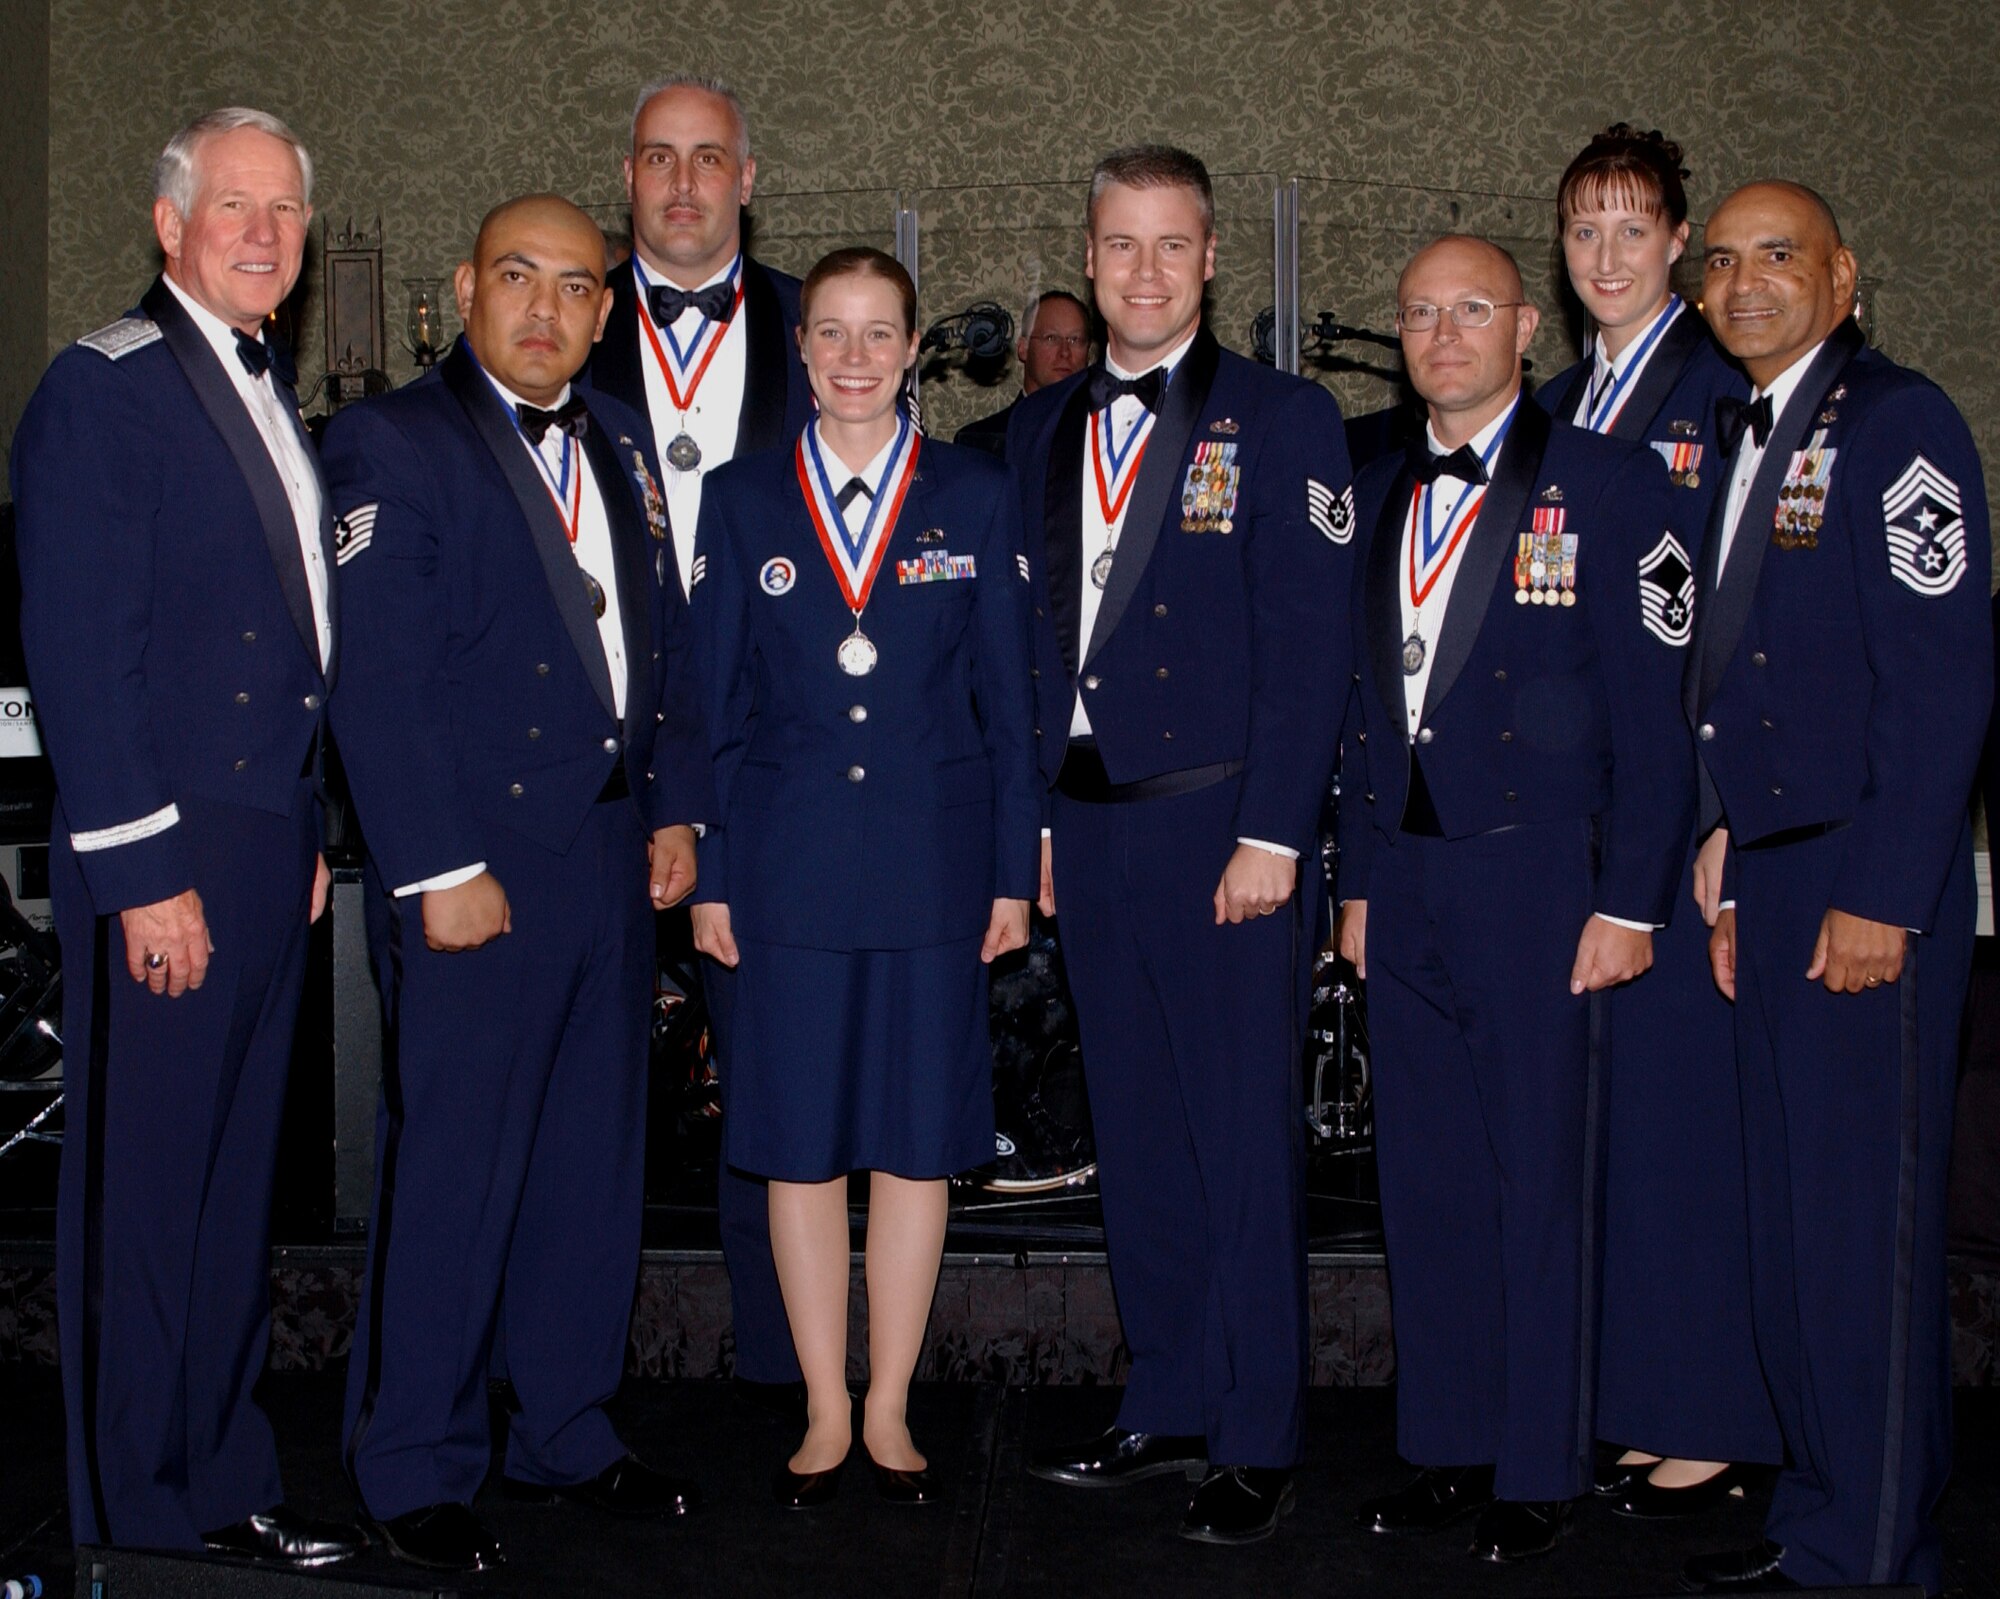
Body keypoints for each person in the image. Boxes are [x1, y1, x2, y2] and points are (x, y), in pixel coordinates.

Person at [324, 194, 711, 1572]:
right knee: (454, 1173)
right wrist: (437, 864)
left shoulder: (615, 439)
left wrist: (672, 814)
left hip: (607, 861)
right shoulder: (389, 442)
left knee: (587, 1170)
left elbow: (653, 641)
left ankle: (564, 1424)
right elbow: (379, 677)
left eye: (574, 286)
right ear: (464, 287)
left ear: (608, 311)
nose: (545, 308)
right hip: (473, 871)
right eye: (516, 277)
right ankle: (413, 1460)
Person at [9, 106, 362, 1568]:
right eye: (235, 206)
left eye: (284, 209)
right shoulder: (109, 388)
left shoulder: (266, 385)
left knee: (229, 1195)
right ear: (170, 225)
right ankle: (132, 1515)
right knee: (145, 1198)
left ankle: (219, 1473)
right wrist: (149, 871)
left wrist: (304, 822)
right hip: (166, 852)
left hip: (265, 840)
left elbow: (287, 635)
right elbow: (85, 653)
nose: (265, 232)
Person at [1336, 235, 1692, 1563]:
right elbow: (1366, 720)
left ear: (1524, 324)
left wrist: (1633, 900)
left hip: (1547, 881)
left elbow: (1658, 723)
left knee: (1535, 1177)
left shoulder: (1610, 483)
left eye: (1471, 309)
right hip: (1412, 878)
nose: (1444, 332)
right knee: (1423, 1179)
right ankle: (1447, 1440)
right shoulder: (1375, 487)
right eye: (1420, 311)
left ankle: (1540, 1459)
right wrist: (1363, 883)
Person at [1015, 145, 1352, 1545]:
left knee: (1239, 1139)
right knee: (1136, 1135)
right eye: (1120, 244)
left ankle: (1260, 1424)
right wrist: (1032, 820)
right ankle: (1166, 1387)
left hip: (1226, 830)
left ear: (1211, 259)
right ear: (1089, 259)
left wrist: (1276, 828)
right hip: (1088, 831)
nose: (1144, 269)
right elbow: (1028, 646)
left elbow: (1312, 641)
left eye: (1171, 245)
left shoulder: (1284, 416)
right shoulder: (1036, 431)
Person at [688, 246, 1037, 1507]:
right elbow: (707, 707)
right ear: (801, 349)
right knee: (795, 1150)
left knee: (910, 1146)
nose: (850, 357)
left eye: (876, 333)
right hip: (780, 875)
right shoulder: (738, 501)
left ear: (910, 350)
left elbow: (1012, 706)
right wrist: (712, 874)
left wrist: (1011, 870)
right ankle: (822, 1405)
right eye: (828, 332)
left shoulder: (975, 496)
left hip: (930, 874)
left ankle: (890, 1401)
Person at [1681, 181, 1991, 1597]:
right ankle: (1816, 1517)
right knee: (1793, 1226)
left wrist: (1885, 892)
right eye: (1726, 262)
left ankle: (1876, 1552)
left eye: (1779, 257)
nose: (1747, 283)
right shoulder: (1748, 435)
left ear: (1845, 274)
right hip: (1780, 876)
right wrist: (1736, 845)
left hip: (1866, 889)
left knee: (1863, 1239)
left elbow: (1939, 689)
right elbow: (1761, 679)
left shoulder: (1899, 425)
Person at [1536, 125, 1780, 1519]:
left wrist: (1736, 813)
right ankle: (1642, 1393)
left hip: (1689, 815)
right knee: (1620, 1129)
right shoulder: (1562, 401)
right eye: (1584, 231)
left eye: (1633, 229)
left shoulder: (1727, 394)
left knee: (1693, 1123)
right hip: (1585, 819)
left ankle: (1710, 1412)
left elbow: (1748, 629)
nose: (1608, 255)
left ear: (1678, 241)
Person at [580, 73, 816, 1419]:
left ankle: (785, 1385)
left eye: (707, 158)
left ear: (747, 175)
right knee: (584, 1095)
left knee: (771, 1087)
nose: (682, 183)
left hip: (771, 767)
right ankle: (565, 1389)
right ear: (628, 177)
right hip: (599, 768)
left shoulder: (817, 329)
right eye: (658, 158)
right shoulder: (561, 320)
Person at [954, 289, 1092, 459]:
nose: (1065, 352)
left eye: (1075, 339)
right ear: (1023, 348)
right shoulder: (979, 443)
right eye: (1051, 338)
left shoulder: (1104, 438)